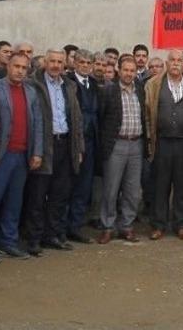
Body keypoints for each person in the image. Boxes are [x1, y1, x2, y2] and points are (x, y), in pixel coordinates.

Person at [0, 51, 42, 264]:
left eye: (24, 68)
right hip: (1, 155)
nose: (20, 71)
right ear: (8, 66)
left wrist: (37, 152)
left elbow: (38, 123)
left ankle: (9, 241)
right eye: (16, 66)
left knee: (14, 202)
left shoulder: (31, 92)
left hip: (22, 155)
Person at [22, 49, 84, 254]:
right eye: (52, 61)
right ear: (45, 62)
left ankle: (53, 235)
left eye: (60, 62)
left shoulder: (69, 86)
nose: (56, 65)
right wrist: (35, 150)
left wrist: (78, 148)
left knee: (60, 194)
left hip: (65, 144)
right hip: (43, 145)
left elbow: (77, 119)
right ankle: (34, 239)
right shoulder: (33, 84)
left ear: (65, 64)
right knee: (38, 196)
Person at [144, 49, 183, 241]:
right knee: (160, 185)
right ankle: (158, 225)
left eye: (179, 60)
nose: (176, 63)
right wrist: (149, 140)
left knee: (182, 186)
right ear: (166, 63)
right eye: (172, 60)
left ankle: (180, 225)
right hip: (162, 142)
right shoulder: (153, 84)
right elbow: (147, 113)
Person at [96, 54, 147, 245]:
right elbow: (101, 118)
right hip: (116, 144)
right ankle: (107, 226)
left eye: (132, 71)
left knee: (132, 190)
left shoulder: (140, 89)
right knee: (111, 189)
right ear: (119, 69)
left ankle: (126, 226)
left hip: (136, 144)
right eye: (125, 70)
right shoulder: (108, 91)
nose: (129, 74)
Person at [66, 50, 99, 244]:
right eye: (82, 62)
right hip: (72, 141)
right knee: (66, 186)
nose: (85, 65)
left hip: (91, 142)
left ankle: (75, 227)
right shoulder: (68, 83)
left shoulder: (94, 84)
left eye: (88, 62)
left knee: (84, 187)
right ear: (75, 63)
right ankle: (60, 228)